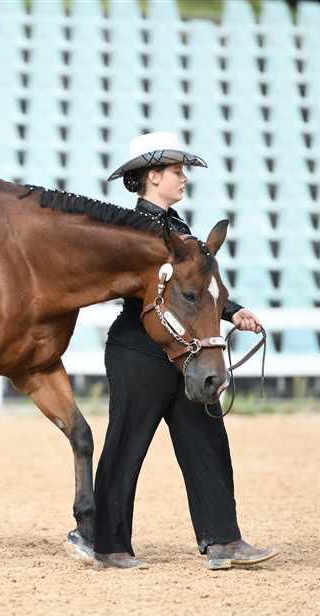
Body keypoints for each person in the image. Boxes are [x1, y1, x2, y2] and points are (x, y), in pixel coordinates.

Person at [93, 132, 277, 570]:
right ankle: (109, 544)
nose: (184, 179)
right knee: (126, 445)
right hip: (139, 351)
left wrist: (233, 312)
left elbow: (195, 290)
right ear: (153, 176)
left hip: (185, 352)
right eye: (177, 171)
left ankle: (223, 539)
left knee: (207, 439)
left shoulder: (180, 230)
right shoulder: (130, 230)